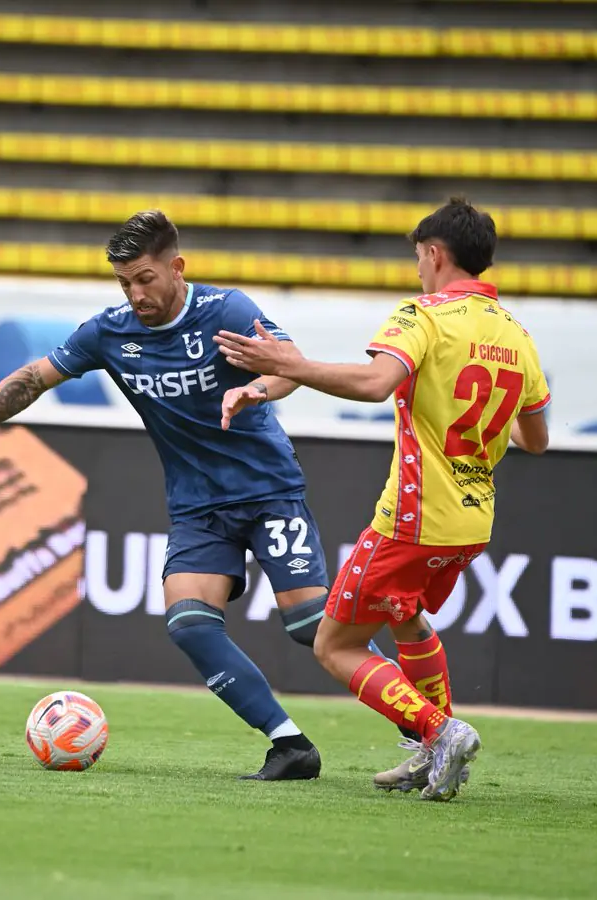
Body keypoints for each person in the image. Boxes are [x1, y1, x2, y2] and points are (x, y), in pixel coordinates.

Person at [0, 210, 399, 781]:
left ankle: (417, 720)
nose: (134, 293)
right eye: (124, 282)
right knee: (190, 623)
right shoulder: (110, 331)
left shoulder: (227, 311)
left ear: (177, 267)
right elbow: (32, 378)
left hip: (267, 489)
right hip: (198, 506)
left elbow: (289, 368)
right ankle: (289, 745)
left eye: (144, 278)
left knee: (312, 629)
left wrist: (254, 388)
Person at [214, 197, 550, 801]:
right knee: (405, 613)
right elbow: (537, 437)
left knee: (334, 644)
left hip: (414, 518)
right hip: (472, 520)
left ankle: (440, 731)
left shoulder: (423, 315)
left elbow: (375, 384)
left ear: (434, 254)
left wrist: (292, 365)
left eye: (420, 258)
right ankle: (431, 755)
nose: (419, 270)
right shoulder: (516, 334)